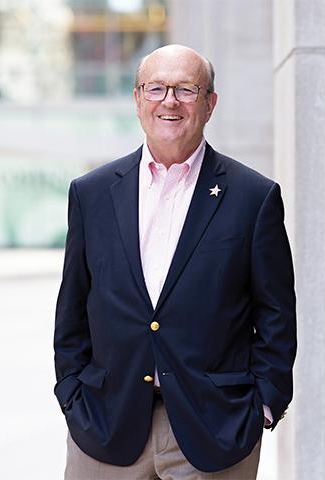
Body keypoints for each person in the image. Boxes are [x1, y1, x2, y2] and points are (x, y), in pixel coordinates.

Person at [54, 44, 297, 480]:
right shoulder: (90, 194)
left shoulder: (253, 197)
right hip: (104, 426)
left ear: (210, 104)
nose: (169, 101)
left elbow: (276, 313)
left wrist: (262, 405)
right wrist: (71, 393)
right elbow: (72, 305)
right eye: (156, 88)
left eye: (186, 89)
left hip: (215, 432)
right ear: (137, 99)